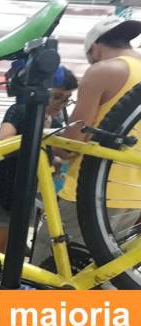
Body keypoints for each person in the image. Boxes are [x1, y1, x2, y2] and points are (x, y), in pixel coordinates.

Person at [31, 16, 141, 268]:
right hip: (134, 197)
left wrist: (51, 142)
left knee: (50, 269)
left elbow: (72, 143)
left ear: (95, 49)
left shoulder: (103, 71)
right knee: (104, 272)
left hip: (91, 194)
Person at [0, 66, 78, 289]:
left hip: (28, 196)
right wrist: (36, 136)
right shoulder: (22, 110)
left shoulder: (55, 122)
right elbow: (3, 141)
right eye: (57, 96)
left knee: (12, 254)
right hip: (3, 192)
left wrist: (54, 159)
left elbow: (62, 154)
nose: (60, 104)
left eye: (66, 99)